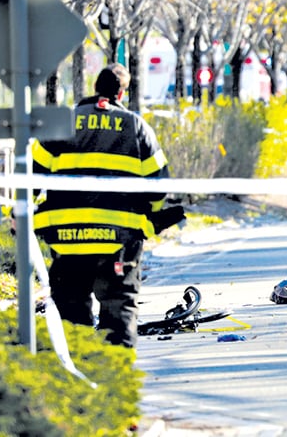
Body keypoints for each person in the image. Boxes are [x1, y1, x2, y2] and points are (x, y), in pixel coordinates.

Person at [31, 64, 184, 348]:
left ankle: (77, 367)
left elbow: (29, 177)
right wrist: (151, 216)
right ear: (121, 93)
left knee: (71, 312)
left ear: (95, 88)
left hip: (68, 240)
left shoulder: (61, 124)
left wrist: (17, 215)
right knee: (118, 309)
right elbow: (158, 186)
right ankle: (116, 367)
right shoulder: (136, 126)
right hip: (120, 240)